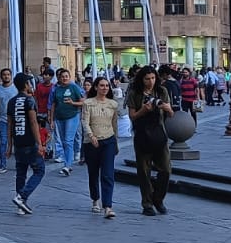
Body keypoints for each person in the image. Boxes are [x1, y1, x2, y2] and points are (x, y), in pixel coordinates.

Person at [127, 66, 172, 215]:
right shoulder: (135, 93)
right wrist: (144, 110)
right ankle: (147, 203)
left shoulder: (162, 91)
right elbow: (132, 116)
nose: (150, 82)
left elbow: (171, 113)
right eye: (147, 79)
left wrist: (166, 108)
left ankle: (158, 198)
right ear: (141, 79)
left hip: (159, 134)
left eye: (153, 78)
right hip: (142, 135)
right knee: (144, 171)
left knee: (166, 169)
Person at [80, 75, 119, 218]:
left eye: (107, 86)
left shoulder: (113, 104)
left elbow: (115, 124)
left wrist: (116, 141)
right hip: (91, 142)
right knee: (93, 172)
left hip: (108, 140)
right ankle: (95, 199)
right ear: (96, 87)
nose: (104, 88)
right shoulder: (88, 103)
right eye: (101, 85)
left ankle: (108, 206)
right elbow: (84, 121)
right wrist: (91, 136)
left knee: (108, 174)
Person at [8, 72, 45, 214]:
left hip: (18, 141)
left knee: (21, 172)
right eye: (29, 83)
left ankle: (20, 205)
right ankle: (22, 197)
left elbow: (10, 124)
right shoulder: (29, 101)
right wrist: (40, 143)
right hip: (30, 141)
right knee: (39, 170)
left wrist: (9, 145)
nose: (31, 85)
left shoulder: (12, 101)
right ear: (25, 85)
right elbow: (33, 122)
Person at [50, 66, 85, 174]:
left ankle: (67, 165)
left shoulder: (74, 87)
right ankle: (67, 162)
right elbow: (53, 104)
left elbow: (82, 102)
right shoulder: (57, 89)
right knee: (64, 141)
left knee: (68, 140)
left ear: (69, 77)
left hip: (72, 116)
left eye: (66, 76)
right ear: (59, 78)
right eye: (62, 77)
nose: (64, 78)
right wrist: (51, 119)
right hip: (59, 118)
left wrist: (72, 103)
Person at [0, 67, 17, 174]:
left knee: (17, 143)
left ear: (11, 76)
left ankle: (19, 164)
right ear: (1, 77)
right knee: (3, 143)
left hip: (16, 120)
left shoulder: (16, 89)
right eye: (4, 74)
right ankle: (2, 164)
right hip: (3, 120)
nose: (6, 76)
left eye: (8, 74)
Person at [33, 69, 54, 158]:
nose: (45, 76)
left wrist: (51, 115)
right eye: (44, 75)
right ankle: (40, 148)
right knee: (40, 131)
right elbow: (35, 98)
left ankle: (49, 150)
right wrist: (36, 110)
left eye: (47, 75)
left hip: (49, 112)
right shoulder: (39, 86)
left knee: (49, 132)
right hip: (40, 111)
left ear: (51, 77)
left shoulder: (53, 87)